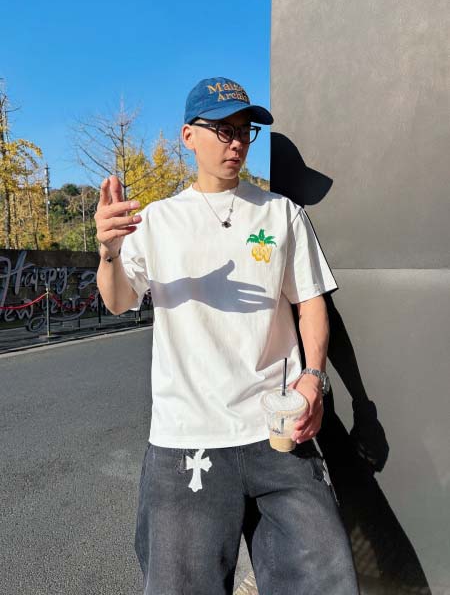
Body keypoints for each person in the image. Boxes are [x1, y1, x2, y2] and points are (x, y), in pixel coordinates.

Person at [95, 77, 359, 595]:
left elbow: (310, 302)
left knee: (325, 583)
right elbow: (119, 299)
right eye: (222, 129)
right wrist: (107, 253)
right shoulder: (157, 220)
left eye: (243, 130)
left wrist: (313, 377)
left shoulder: (281, 213)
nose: (236, 141)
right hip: (187, 439)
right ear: (188, 136)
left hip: (277, 432)